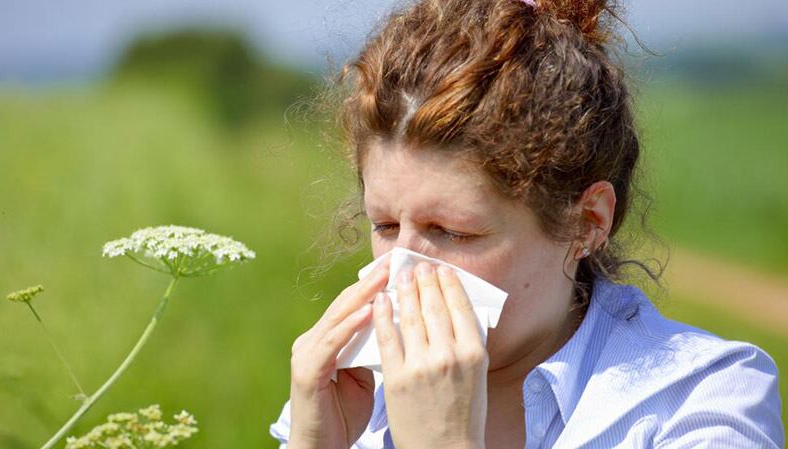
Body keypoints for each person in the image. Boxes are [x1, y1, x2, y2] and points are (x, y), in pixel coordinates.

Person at [270, 0, 784, 447]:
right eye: (384, 226)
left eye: (453, 231)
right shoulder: (355, 397)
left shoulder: (701, 400)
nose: (402, 269)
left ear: (587, 223)